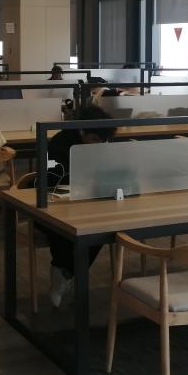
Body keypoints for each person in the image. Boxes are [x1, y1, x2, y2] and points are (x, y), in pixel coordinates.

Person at [46, 106, 117, 307]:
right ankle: (64, 270)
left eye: (102, 141)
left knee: (103, 228)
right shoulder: (60, 143)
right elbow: (53, 179)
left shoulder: (102, 142)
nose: (98, 144)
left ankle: (66, 272)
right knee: (63, 228)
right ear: (82, 131)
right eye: (94, 139)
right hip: (55, 201)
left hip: (90, 201)